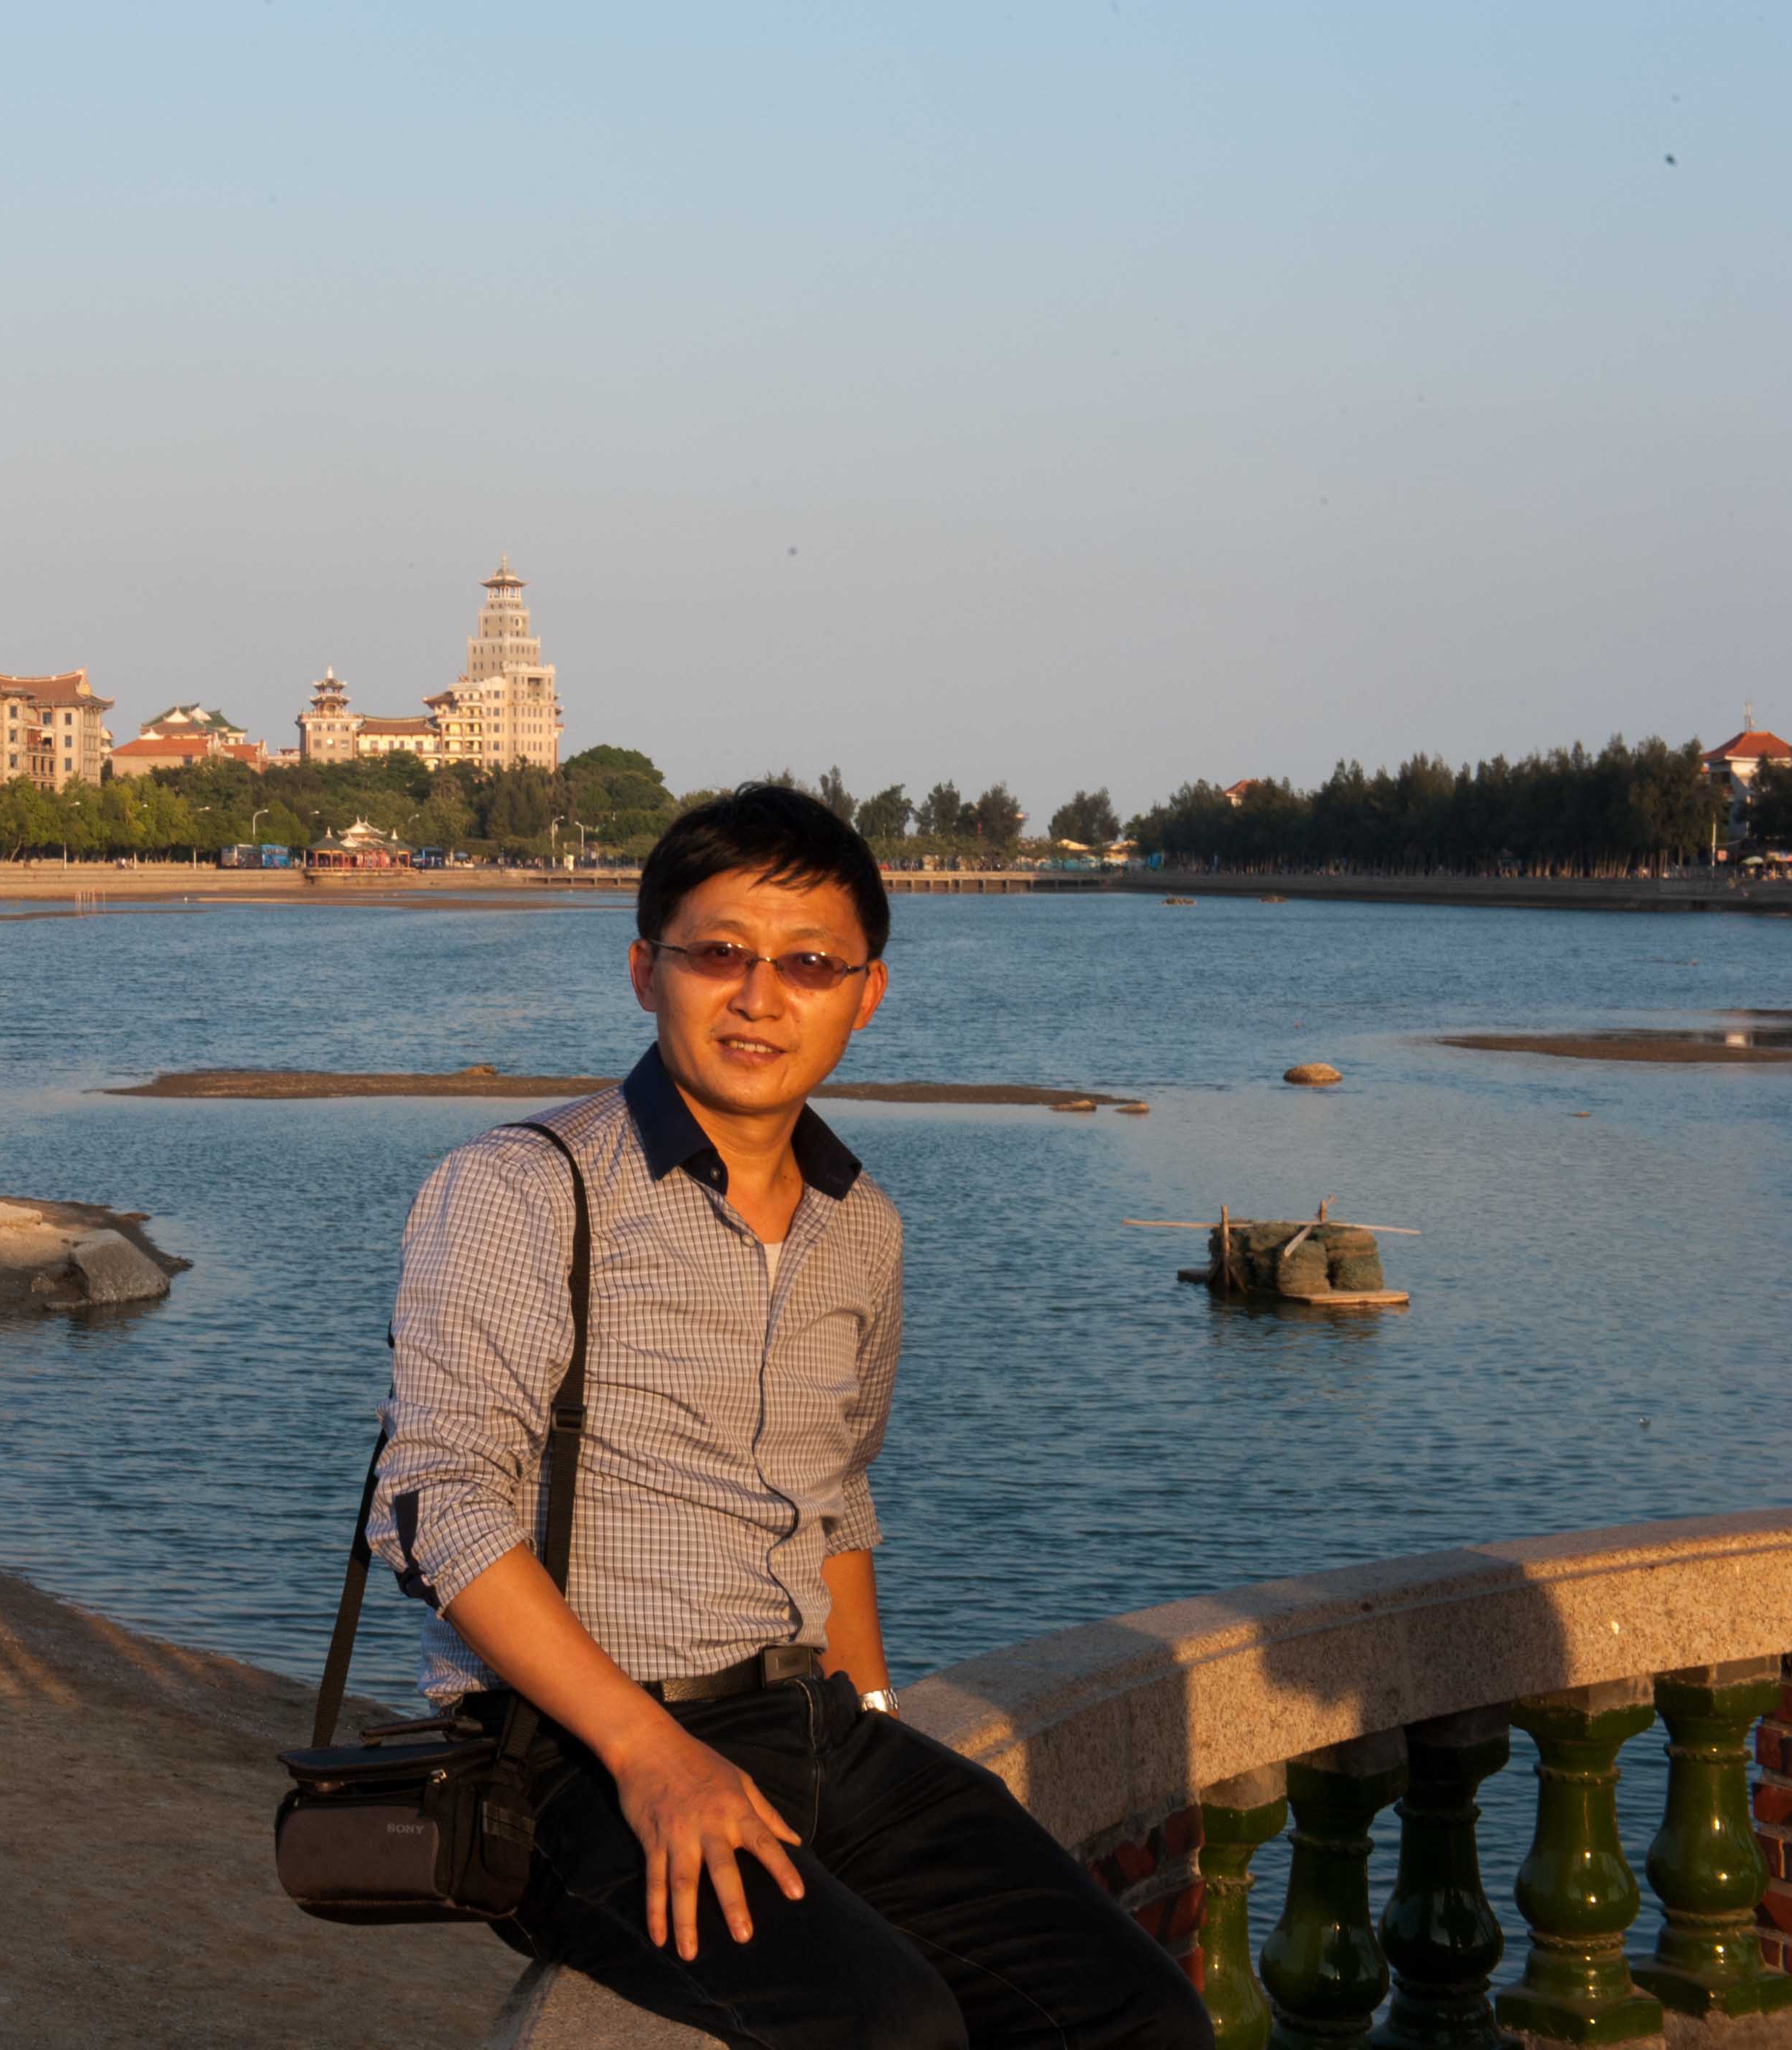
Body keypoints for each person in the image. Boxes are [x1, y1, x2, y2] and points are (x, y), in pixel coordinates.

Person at [368, 785, 1208, 2049]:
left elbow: (837, 1500)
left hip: (815, 1725)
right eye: (720, 953)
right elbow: (437, 1499)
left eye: (810, 964)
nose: (761, 997)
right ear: (647, 971)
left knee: (1138, 2016)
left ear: (866, 995)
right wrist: (652, 1755)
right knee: (887, 2026)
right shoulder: (524, 1189)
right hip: (575, 1753)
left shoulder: (861, 1226)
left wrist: (874, 1721)